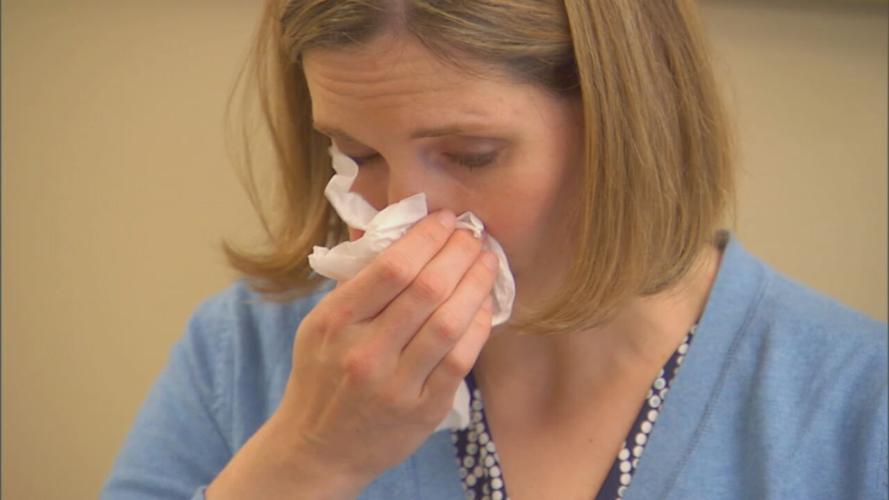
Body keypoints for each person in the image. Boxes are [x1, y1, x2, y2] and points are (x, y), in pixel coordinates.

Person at [101, 1, 888, 499]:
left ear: (623, 127)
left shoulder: (855, 405)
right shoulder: (247, 352)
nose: (399, 219)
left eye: (472, 155)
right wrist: (304, 462)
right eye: (356, 155)